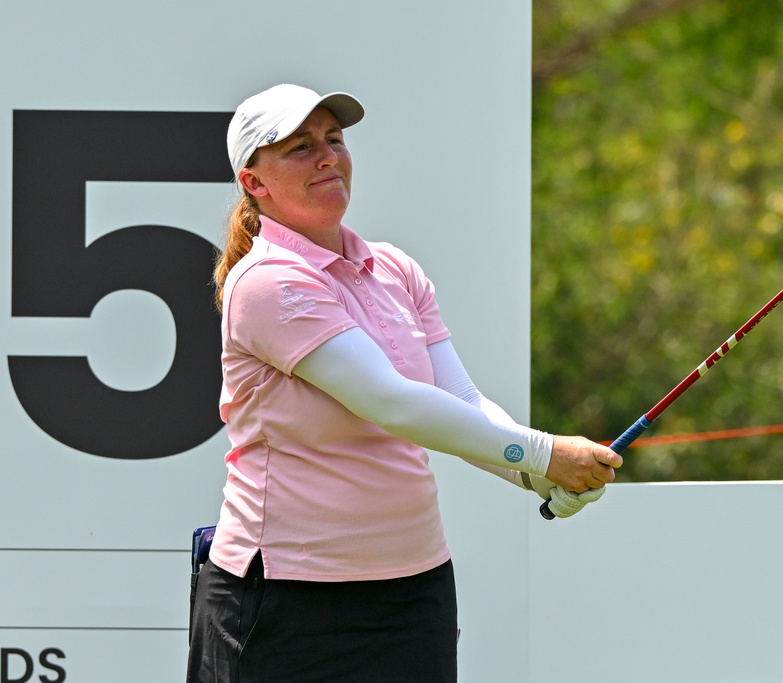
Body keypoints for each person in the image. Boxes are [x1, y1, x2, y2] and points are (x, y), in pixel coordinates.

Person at [185, 83, 622, 683]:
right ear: (254, 183)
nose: (327, 157)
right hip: (285, 596)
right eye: (299, 147)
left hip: (413, 591)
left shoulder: (393, 268)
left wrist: (535, 474)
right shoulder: (265, 281)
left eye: (334, 140)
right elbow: (389, 403)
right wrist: (549, 453)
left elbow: (460, 402)